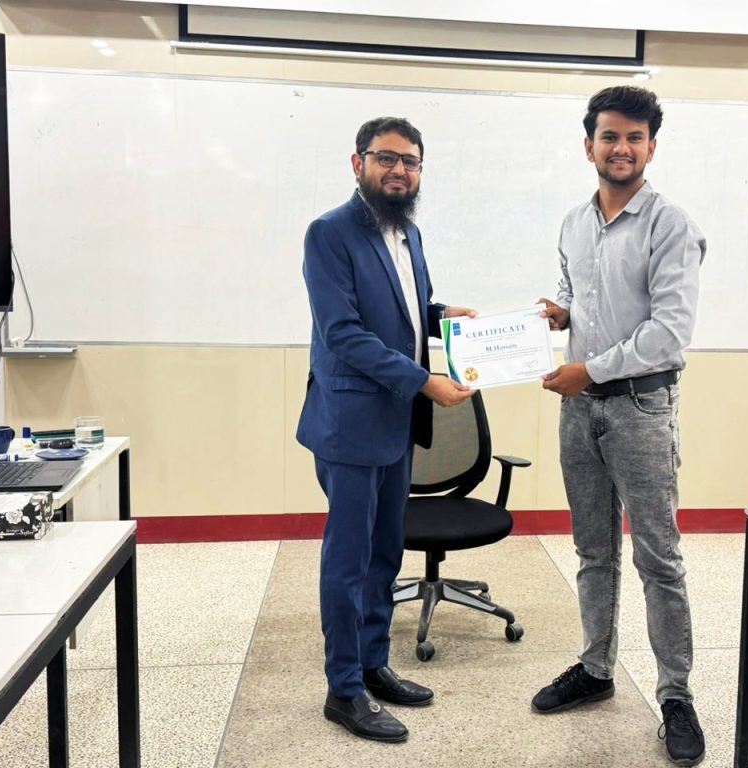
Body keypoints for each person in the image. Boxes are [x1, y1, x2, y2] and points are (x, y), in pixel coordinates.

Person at [533, 86, 708, 766]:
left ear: (651, 148)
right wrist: (561, 313)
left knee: (658, 558)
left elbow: (668, 334)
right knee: (593, 550)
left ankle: (676, 696)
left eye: (635, 137)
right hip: (580, 412)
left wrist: (590, 370)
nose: (622, 148)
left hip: (640, 407)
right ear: (589, 146)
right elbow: (579, 295)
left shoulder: (671, 225)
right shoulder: (574, 223)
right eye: (610, 136)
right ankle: (596, 669)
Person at [297, 116, 476, 744]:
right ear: (359, 163)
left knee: (383, 554)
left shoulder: (409, 233)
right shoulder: (330, 233)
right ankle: (343, 689)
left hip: (396, 424)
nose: (400, 170)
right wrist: (423, 381)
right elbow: (343, 333)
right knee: (348, 561)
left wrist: (442, 314)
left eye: (411, 161)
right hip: (350, 424)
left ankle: (374, 664)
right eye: (387, 158)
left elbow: (402, 312)